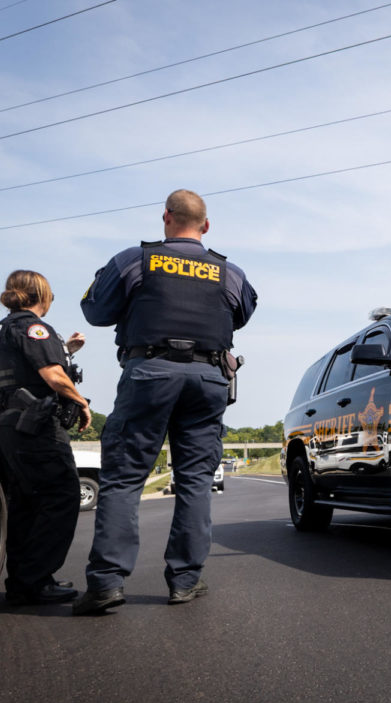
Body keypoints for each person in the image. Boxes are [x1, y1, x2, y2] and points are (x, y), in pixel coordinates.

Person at [73, 189, 257, 615]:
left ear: (165, 218)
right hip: (209, 377)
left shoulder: (134, 260)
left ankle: (106, 584)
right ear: (205, 226)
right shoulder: (230, 272)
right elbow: (241, 316)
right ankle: (185, 581)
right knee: (195, 479)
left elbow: (95, 312)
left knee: (123, 478)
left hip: (150, 373)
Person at [0, 270, 92, 606]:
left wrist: (65, 349)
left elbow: (27, 365)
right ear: (42, 295)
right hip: (37, 424)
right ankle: (35, 581)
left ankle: (25, 581)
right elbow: (52, 375)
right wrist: (80, 402)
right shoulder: (34, 326)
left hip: (12, 423)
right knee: (61, 495)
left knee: (28, 503)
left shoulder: (4, 326)